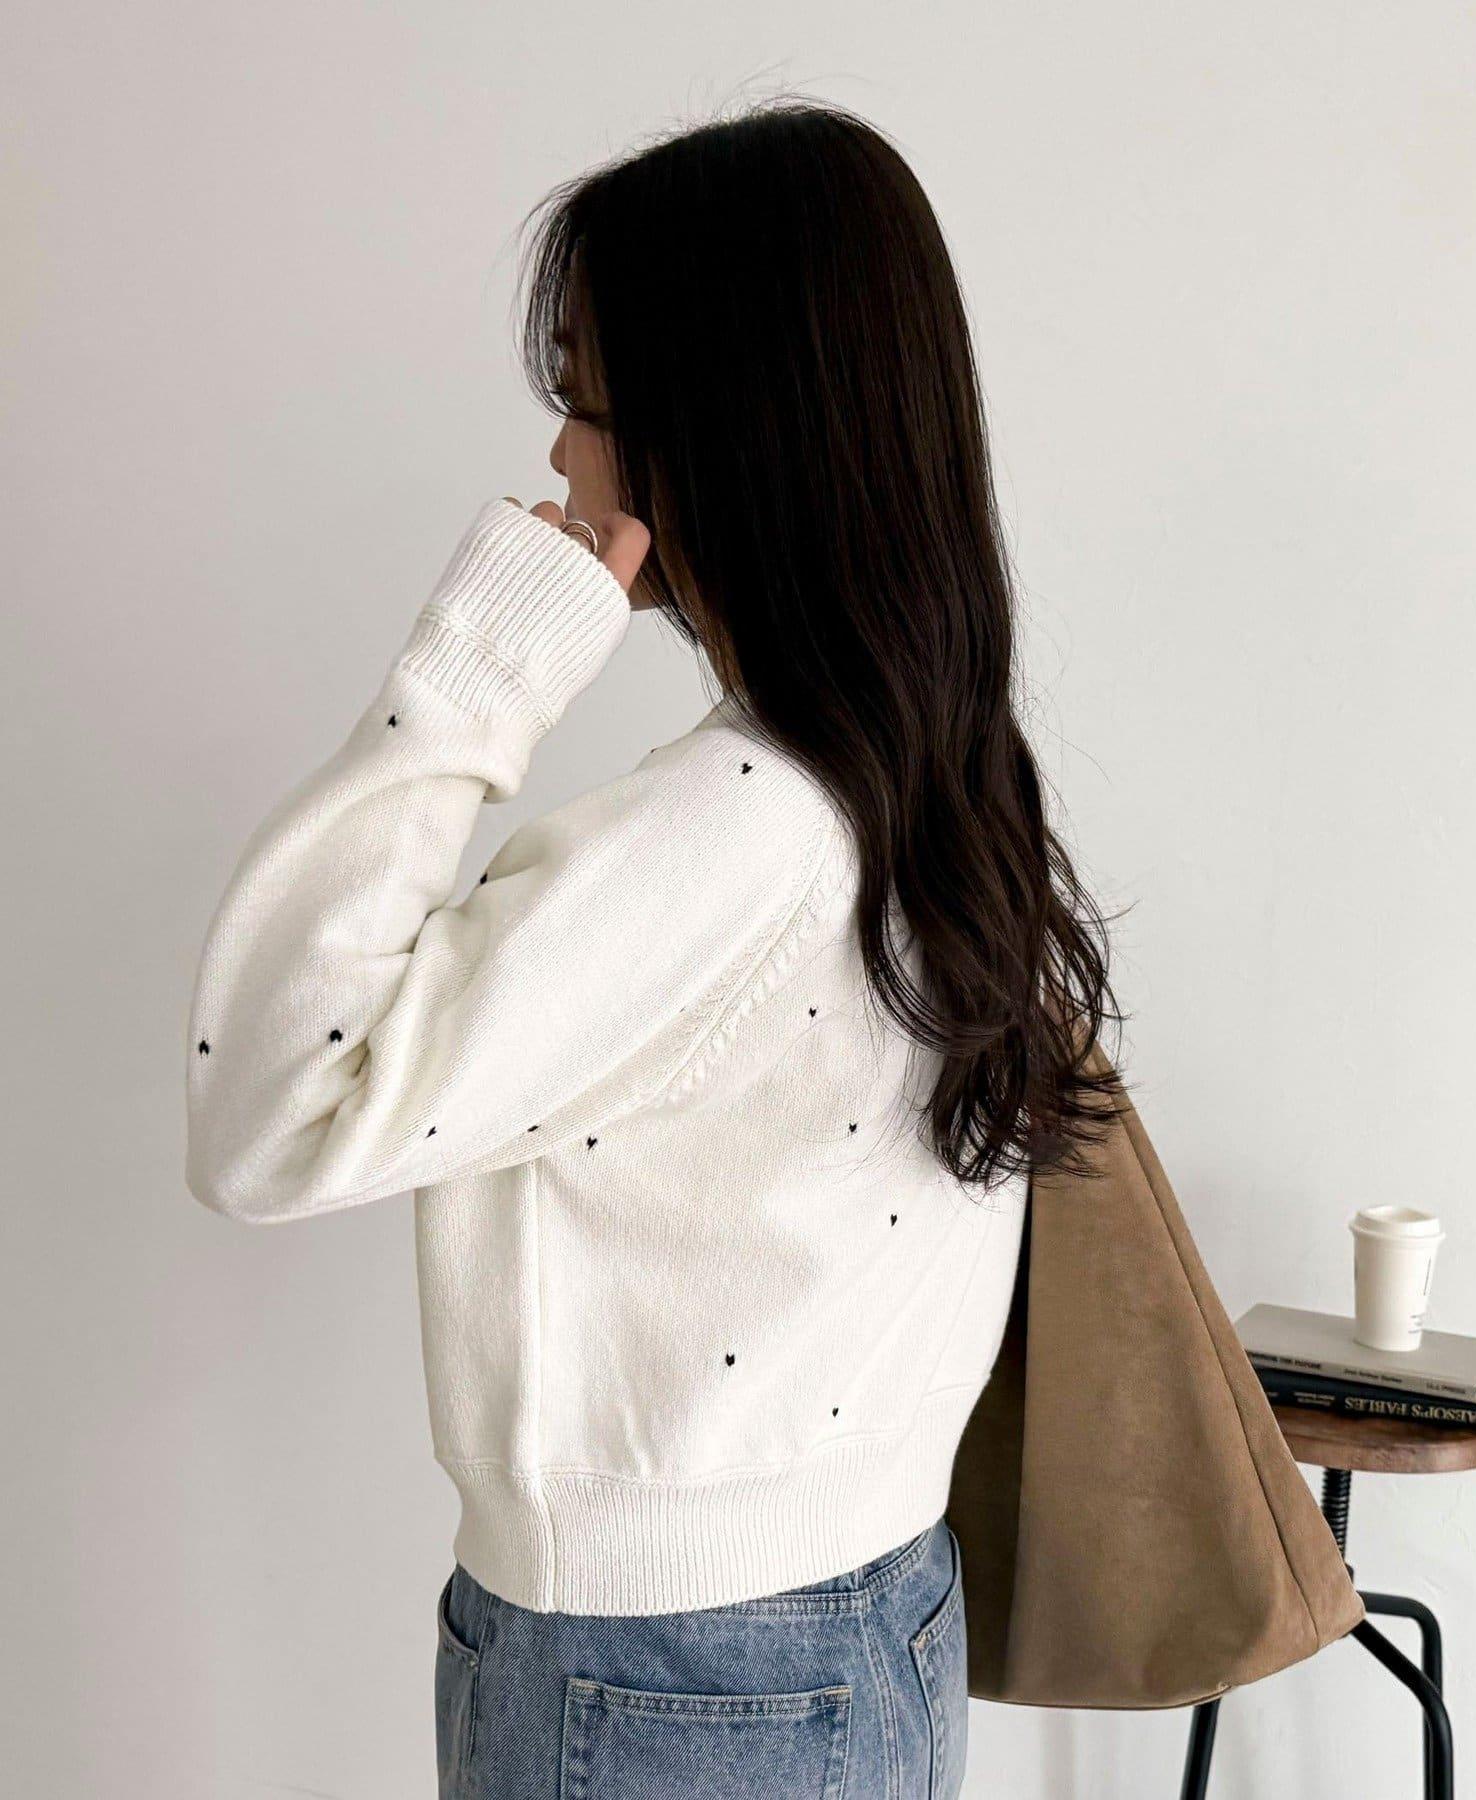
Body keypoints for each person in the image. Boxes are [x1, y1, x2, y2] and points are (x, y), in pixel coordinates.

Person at [184, 96, 1125, 1800]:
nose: (558, 457)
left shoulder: (730, 836)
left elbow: (265, 1112)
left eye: (587, 397)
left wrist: (479, 673)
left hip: (669, 1681)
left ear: (723, 432)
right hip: (865, 1624)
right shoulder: (935, 767)